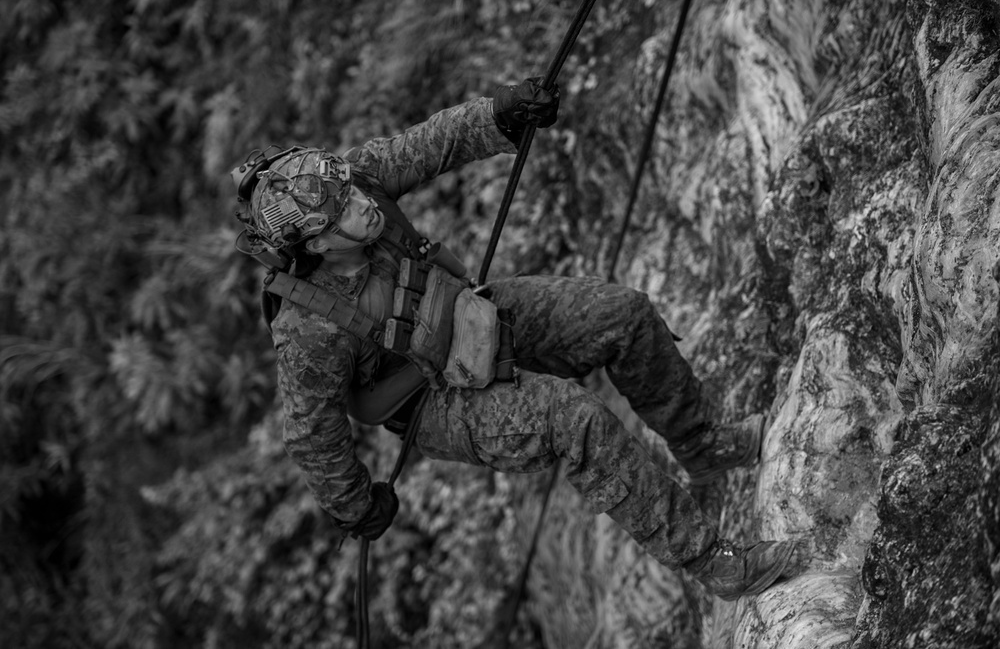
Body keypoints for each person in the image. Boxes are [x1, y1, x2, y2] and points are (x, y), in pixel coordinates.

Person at [230, 77, 804, 601]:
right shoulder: (309, 328)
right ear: (318, 247)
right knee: (571, 418)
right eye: (344, 215)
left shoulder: (357, 183)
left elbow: (432, 142)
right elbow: (311, 431)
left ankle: (703, 445)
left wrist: (502, 113)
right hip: (430, 400)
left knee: (622, 316)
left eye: (354, 191)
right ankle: (713, 561)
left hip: (468, 314)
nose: (361, 204)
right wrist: (355, 505)